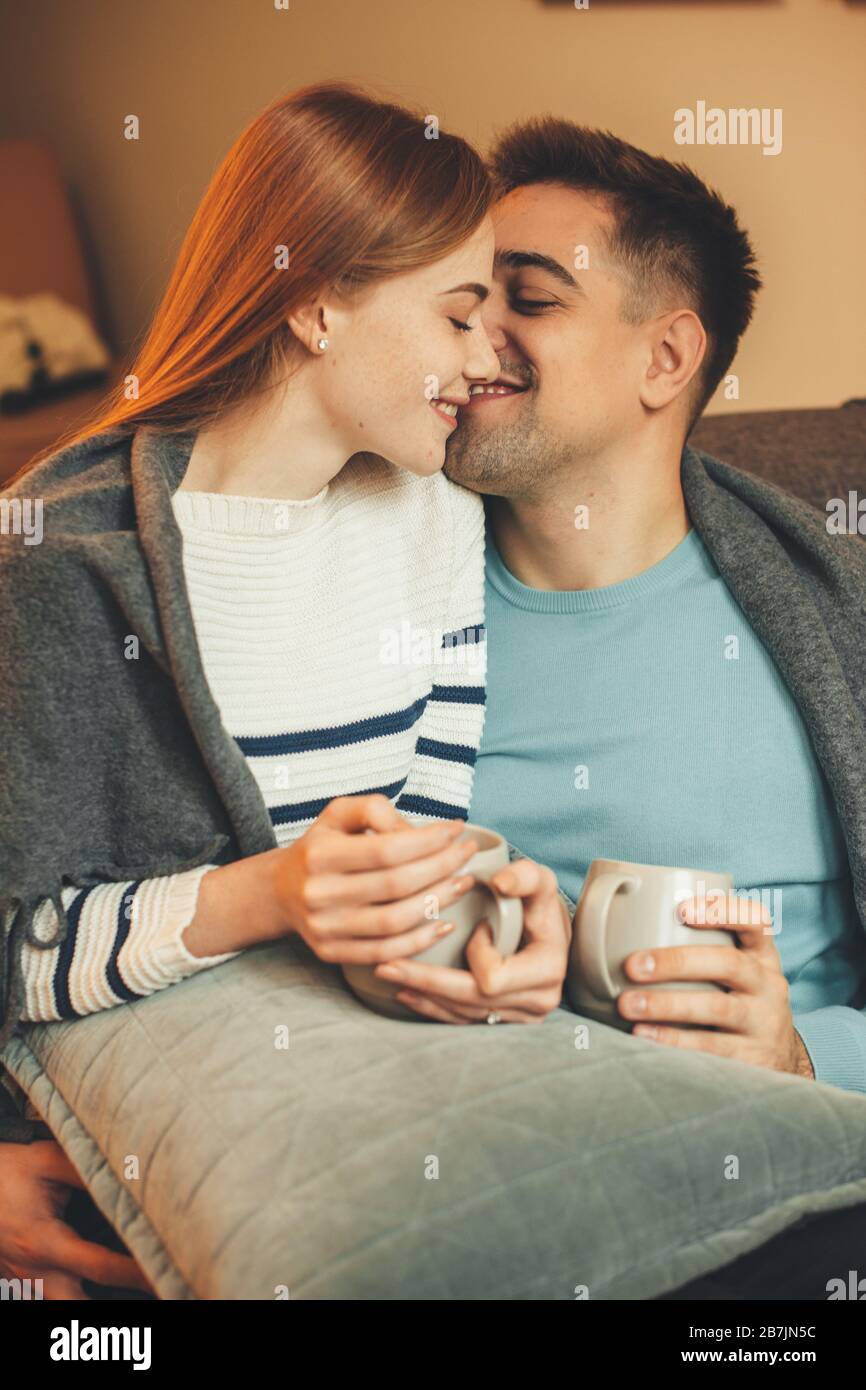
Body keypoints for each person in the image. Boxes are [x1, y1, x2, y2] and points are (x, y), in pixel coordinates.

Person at [0, 82, 572, 1299]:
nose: (487, 362)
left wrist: (499, 934)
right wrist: (271, 895)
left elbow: (424, 859)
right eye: (458, 316)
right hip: (111, 1119)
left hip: (354, 1092)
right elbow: (16, 953)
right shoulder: (62, 562)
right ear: (314, 305)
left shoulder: (434, 521)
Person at [380, 118, 866, 1098]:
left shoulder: (826, 624)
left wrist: (805, 1056)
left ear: (665, 359)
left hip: (786, 1151)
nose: (473, 335)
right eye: (465, 301)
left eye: (527, 297)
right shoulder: (371, 600)